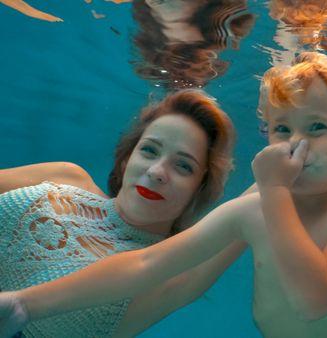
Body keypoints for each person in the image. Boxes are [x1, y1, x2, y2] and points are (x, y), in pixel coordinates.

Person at [0, 52, 327, 338]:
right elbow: (145, 263)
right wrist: (25, 303)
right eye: (281, 130)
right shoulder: (256, 208)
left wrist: (273, 186)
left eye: (317, 128)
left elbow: (314, 300)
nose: (296, 145)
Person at [0, 89, 248, 337]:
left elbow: (254, 204)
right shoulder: (66, 175)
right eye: (150, 150)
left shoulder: (166, 277)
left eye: (183, 166)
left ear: (199, 190)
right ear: (126, 159)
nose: (156, 171)